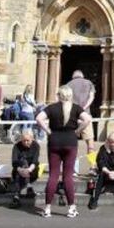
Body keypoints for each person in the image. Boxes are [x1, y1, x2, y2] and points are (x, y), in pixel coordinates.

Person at [37, 84, 89, 217]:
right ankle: (71, 208)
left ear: (58, 95)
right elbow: (87, 119)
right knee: (68, 176)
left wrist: (48, 131)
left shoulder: (52, 108)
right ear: (71, 96)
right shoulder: (76, 108)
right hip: (71, 142)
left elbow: (39, 118)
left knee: (53, 175)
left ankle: (47, 208)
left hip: (54, 142)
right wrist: (77, 131)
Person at [89, 127, 114, 211]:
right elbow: (100, 163)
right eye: (110, 142)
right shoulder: (103, 149)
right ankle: (95, 200)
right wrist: (109, 172)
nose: (112, 144)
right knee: (101, 175)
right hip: (106, 173)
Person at [8, 127, 40, 208]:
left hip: (32, 170)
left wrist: (28, 170)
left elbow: (35, 161)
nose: (25, 142)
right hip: (18, 170)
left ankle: (17, 195)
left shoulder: (36, 146)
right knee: (22, 162)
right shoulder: (16, 146)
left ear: (32, 139)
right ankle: (26, 188)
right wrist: (21, 170)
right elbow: (14, 162)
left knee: (26, 165)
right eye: (23, 140)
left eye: (28, 140)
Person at [68, 69, 96, 155]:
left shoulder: (68, 84)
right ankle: (92, 166)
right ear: (82, 76)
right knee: (90, 143)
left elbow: (66, 100)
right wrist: (84, 107)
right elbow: (91, 97)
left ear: (73, 77)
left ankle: (71, 166)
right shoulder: (89, 83)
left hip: (71, 116)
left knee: (70, 144)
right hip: (85, 115)